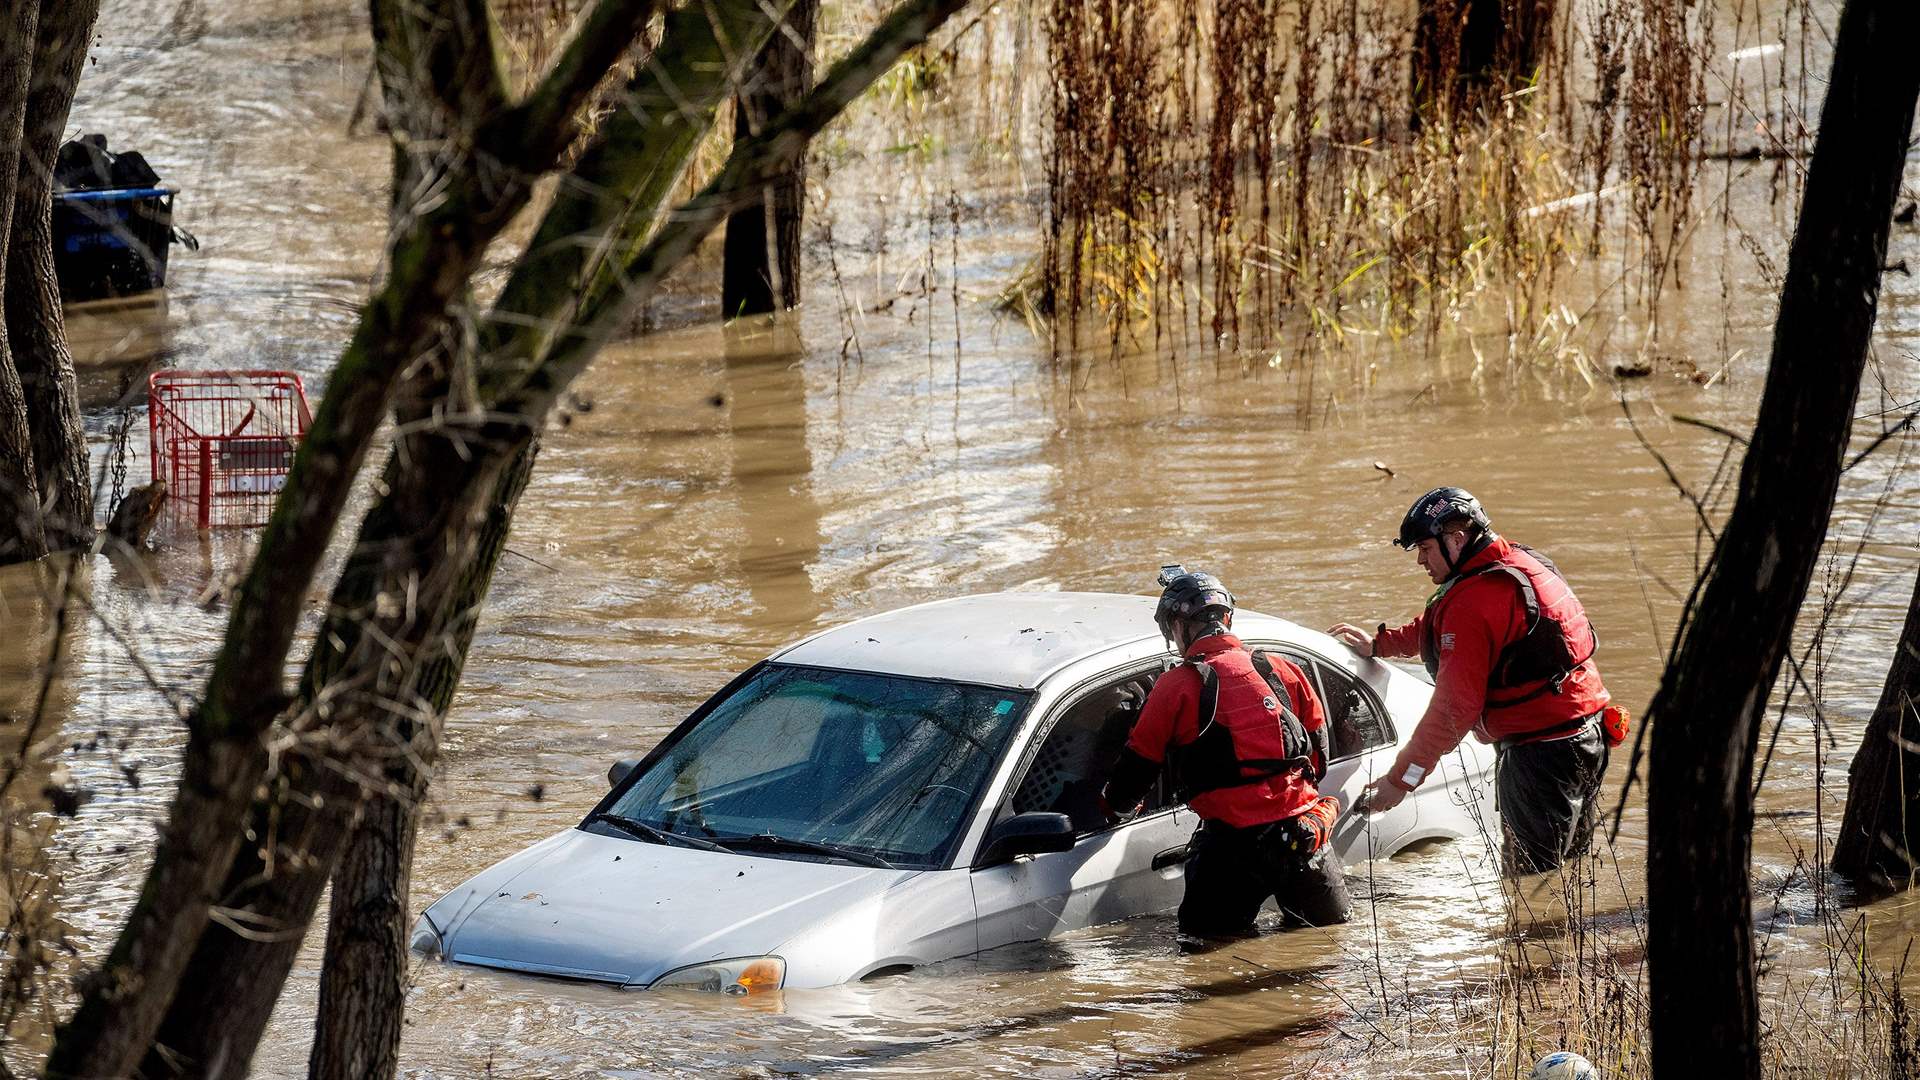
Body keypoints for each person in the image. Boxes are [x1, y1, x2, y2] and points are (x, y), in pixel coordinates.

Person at [1327, 487, 1611, 874]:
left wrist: (1401, 780)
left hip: (1538, 755)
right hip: (1588, 737)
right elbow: (1442, 627)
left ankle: (1535, 937)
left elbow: (1453, 710)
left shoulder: (1474, 601)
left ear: (1456, 539)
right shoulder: (1519, 562)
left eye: (1425, 549)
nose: (1421, 562)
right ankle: (1574, 935)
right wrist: (1381, 643)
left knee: (1529, 881)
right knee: (1570, 874)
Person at [1104, 566, 1348, 940]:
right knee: (1328, 951)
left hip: (1230, 851)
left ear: (1178, 629)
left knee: (1205, 960)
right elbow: (1318, 755)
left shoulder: (1176, 686)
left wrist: (1112, 809)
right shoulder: (1281, 668)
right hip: (1302, 837)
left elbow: (1137, 765)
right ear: (1228, 618)